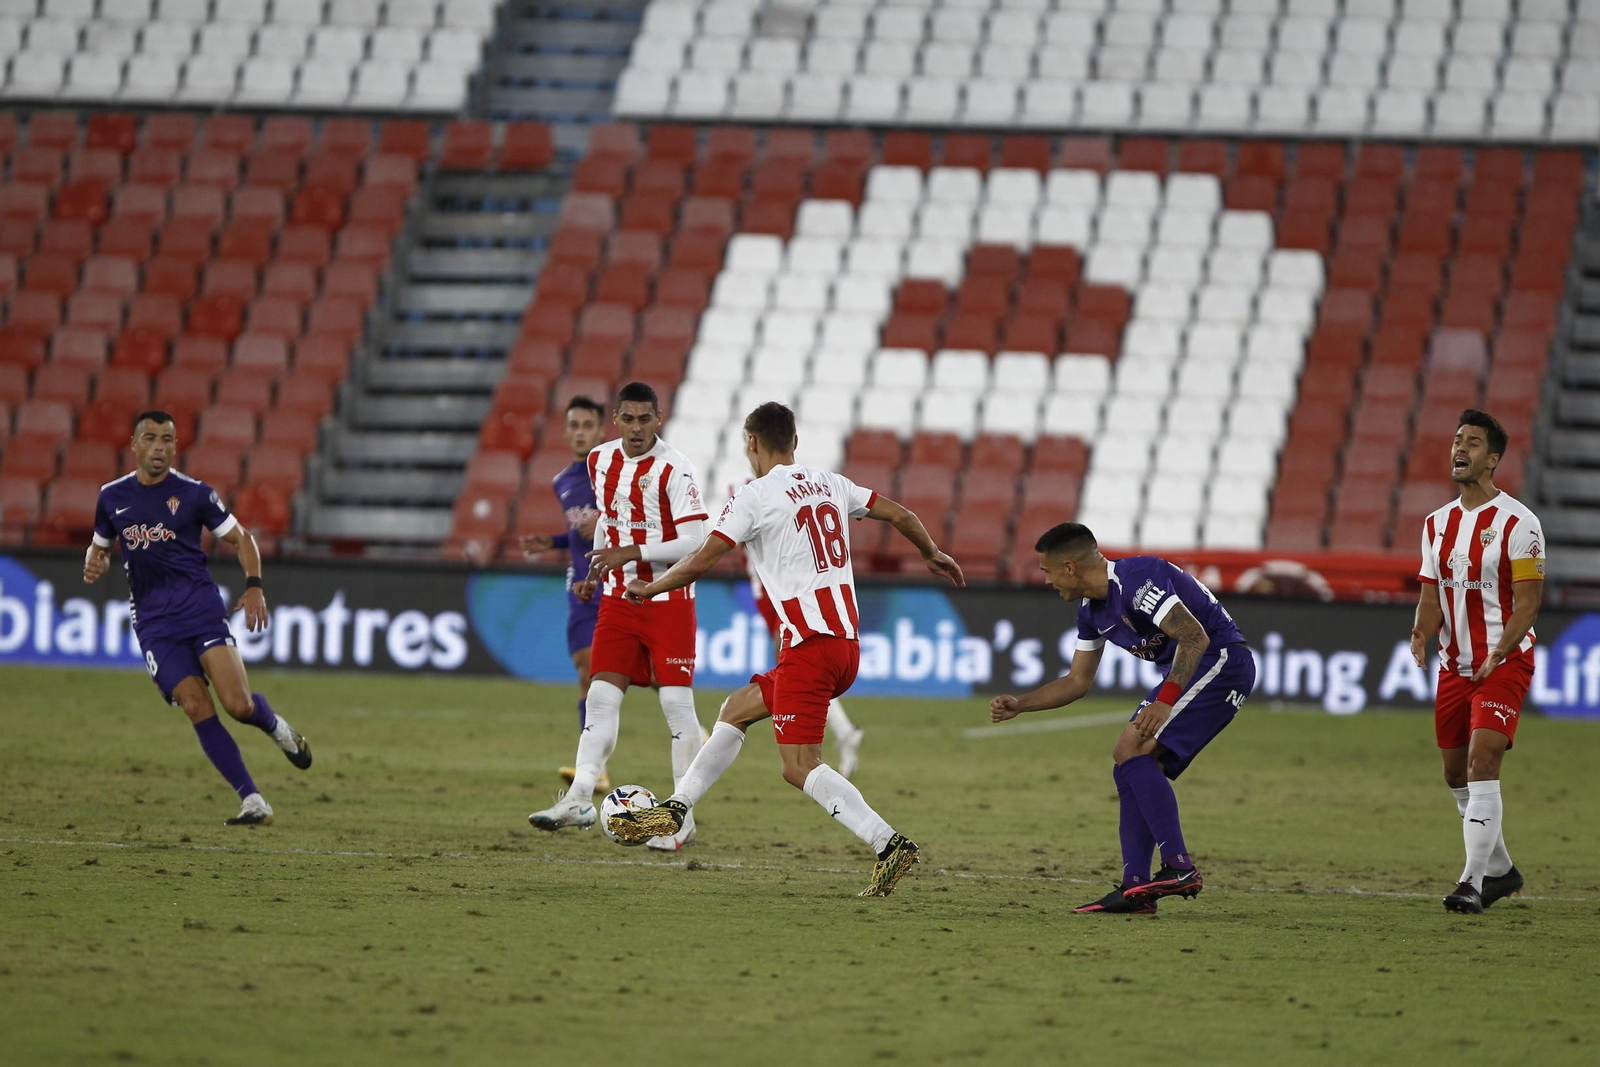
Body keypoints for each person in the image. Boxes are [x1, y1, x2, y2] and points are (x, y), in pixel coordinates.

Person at [607, 402, 964, 897]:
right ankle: (677, 808)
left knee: (798, 767)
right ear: (794, 441)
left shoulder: (753, 496)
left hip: (809, 645)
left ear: (752, 443)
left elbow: (699, 560)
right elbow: (901, 514)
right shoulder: (832, 483)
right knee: (736, 709)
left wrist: (650, 588)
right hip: (844, 645)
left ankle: (889, 843)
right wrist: (931, 552)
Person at [989, 523, 1255, 916]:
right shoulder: (1091, 612)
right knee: (1128, 762)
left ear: (1069, 567)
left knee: (1131, 750)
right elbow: (1078, 681)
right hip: (1191, 672)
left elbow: (1194, 637)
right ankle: (1136, 887)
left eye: (1047, 571)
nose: (1046, 580)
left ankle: (1180, 868)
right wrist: (1020, 704)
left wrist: (1164, 701)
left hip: (1222, 662)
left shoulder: (1137, 580)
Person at [82, 410, 311, 827]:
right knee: (194, 704)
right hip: (153, 622)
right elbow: (100, 544)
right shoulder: (111, 496)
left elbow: (242, 539)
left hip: (199, 610)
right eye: (150, 438)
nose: (159, 447)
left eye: (167, 439)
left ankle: (276, 726)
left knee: (238, 706)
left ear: (175, 446)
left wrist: (255, 585)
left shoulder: (194, 494)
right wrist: (93, 561)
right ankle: (252, 800)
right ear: (133, 445)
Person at [528, 383, 708, 851]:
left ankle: (681, 818)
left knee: (676, 708)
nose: (635, 428)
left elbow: (696, 540)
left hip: (668, 600)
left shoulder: (675, 467)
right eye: (627, 419)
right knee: (601, 698)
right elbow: (610, 519)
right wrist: (595, 567)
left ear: (658, 418)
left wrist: (635, 551)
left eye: (644, 419)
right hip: (614, 599)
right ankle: (579, 797)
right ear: (616, 419)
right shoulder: (600, 461)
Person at [1410, 410, 1544, 914]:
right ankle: (1502, 871)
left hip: (1504, 663)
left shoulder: (1519, 523)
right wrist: (1423, 631)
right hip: (1455, 667)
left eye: (1472, 442)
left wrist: (1500, 652)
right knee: (1454, 774)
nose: (1459, 448)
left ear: (1493, 459)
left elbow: (1528, 603)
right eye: (1456, 439)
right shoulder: (1435, 524)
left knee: (1483, 760)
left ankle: (1471, 882)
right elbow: (1431, 593)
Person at [737, 488, 866, 778]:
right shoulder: (755, 493)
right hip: (772, 601)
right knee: (803, 676)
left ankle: (843, 732)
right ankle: (845, 731)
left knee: (801, 675)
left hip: (783, 603)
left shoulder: (756, 496)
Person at [519, 395, 611, 795]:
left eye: (587, 425)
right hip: (581, 587)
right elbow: (579, 534)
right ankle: (596, 770)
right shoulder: (562, 482)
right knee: (585, 670)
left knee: (653, 677)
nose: (579, 432)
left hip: (618, 583)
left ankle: (690, 729)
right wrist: (554, 541)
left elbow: (642, 519)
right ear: (565, 431)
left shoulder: (614, 474)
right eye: (573, 425)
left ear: (601, 430)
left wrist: (607, 521)